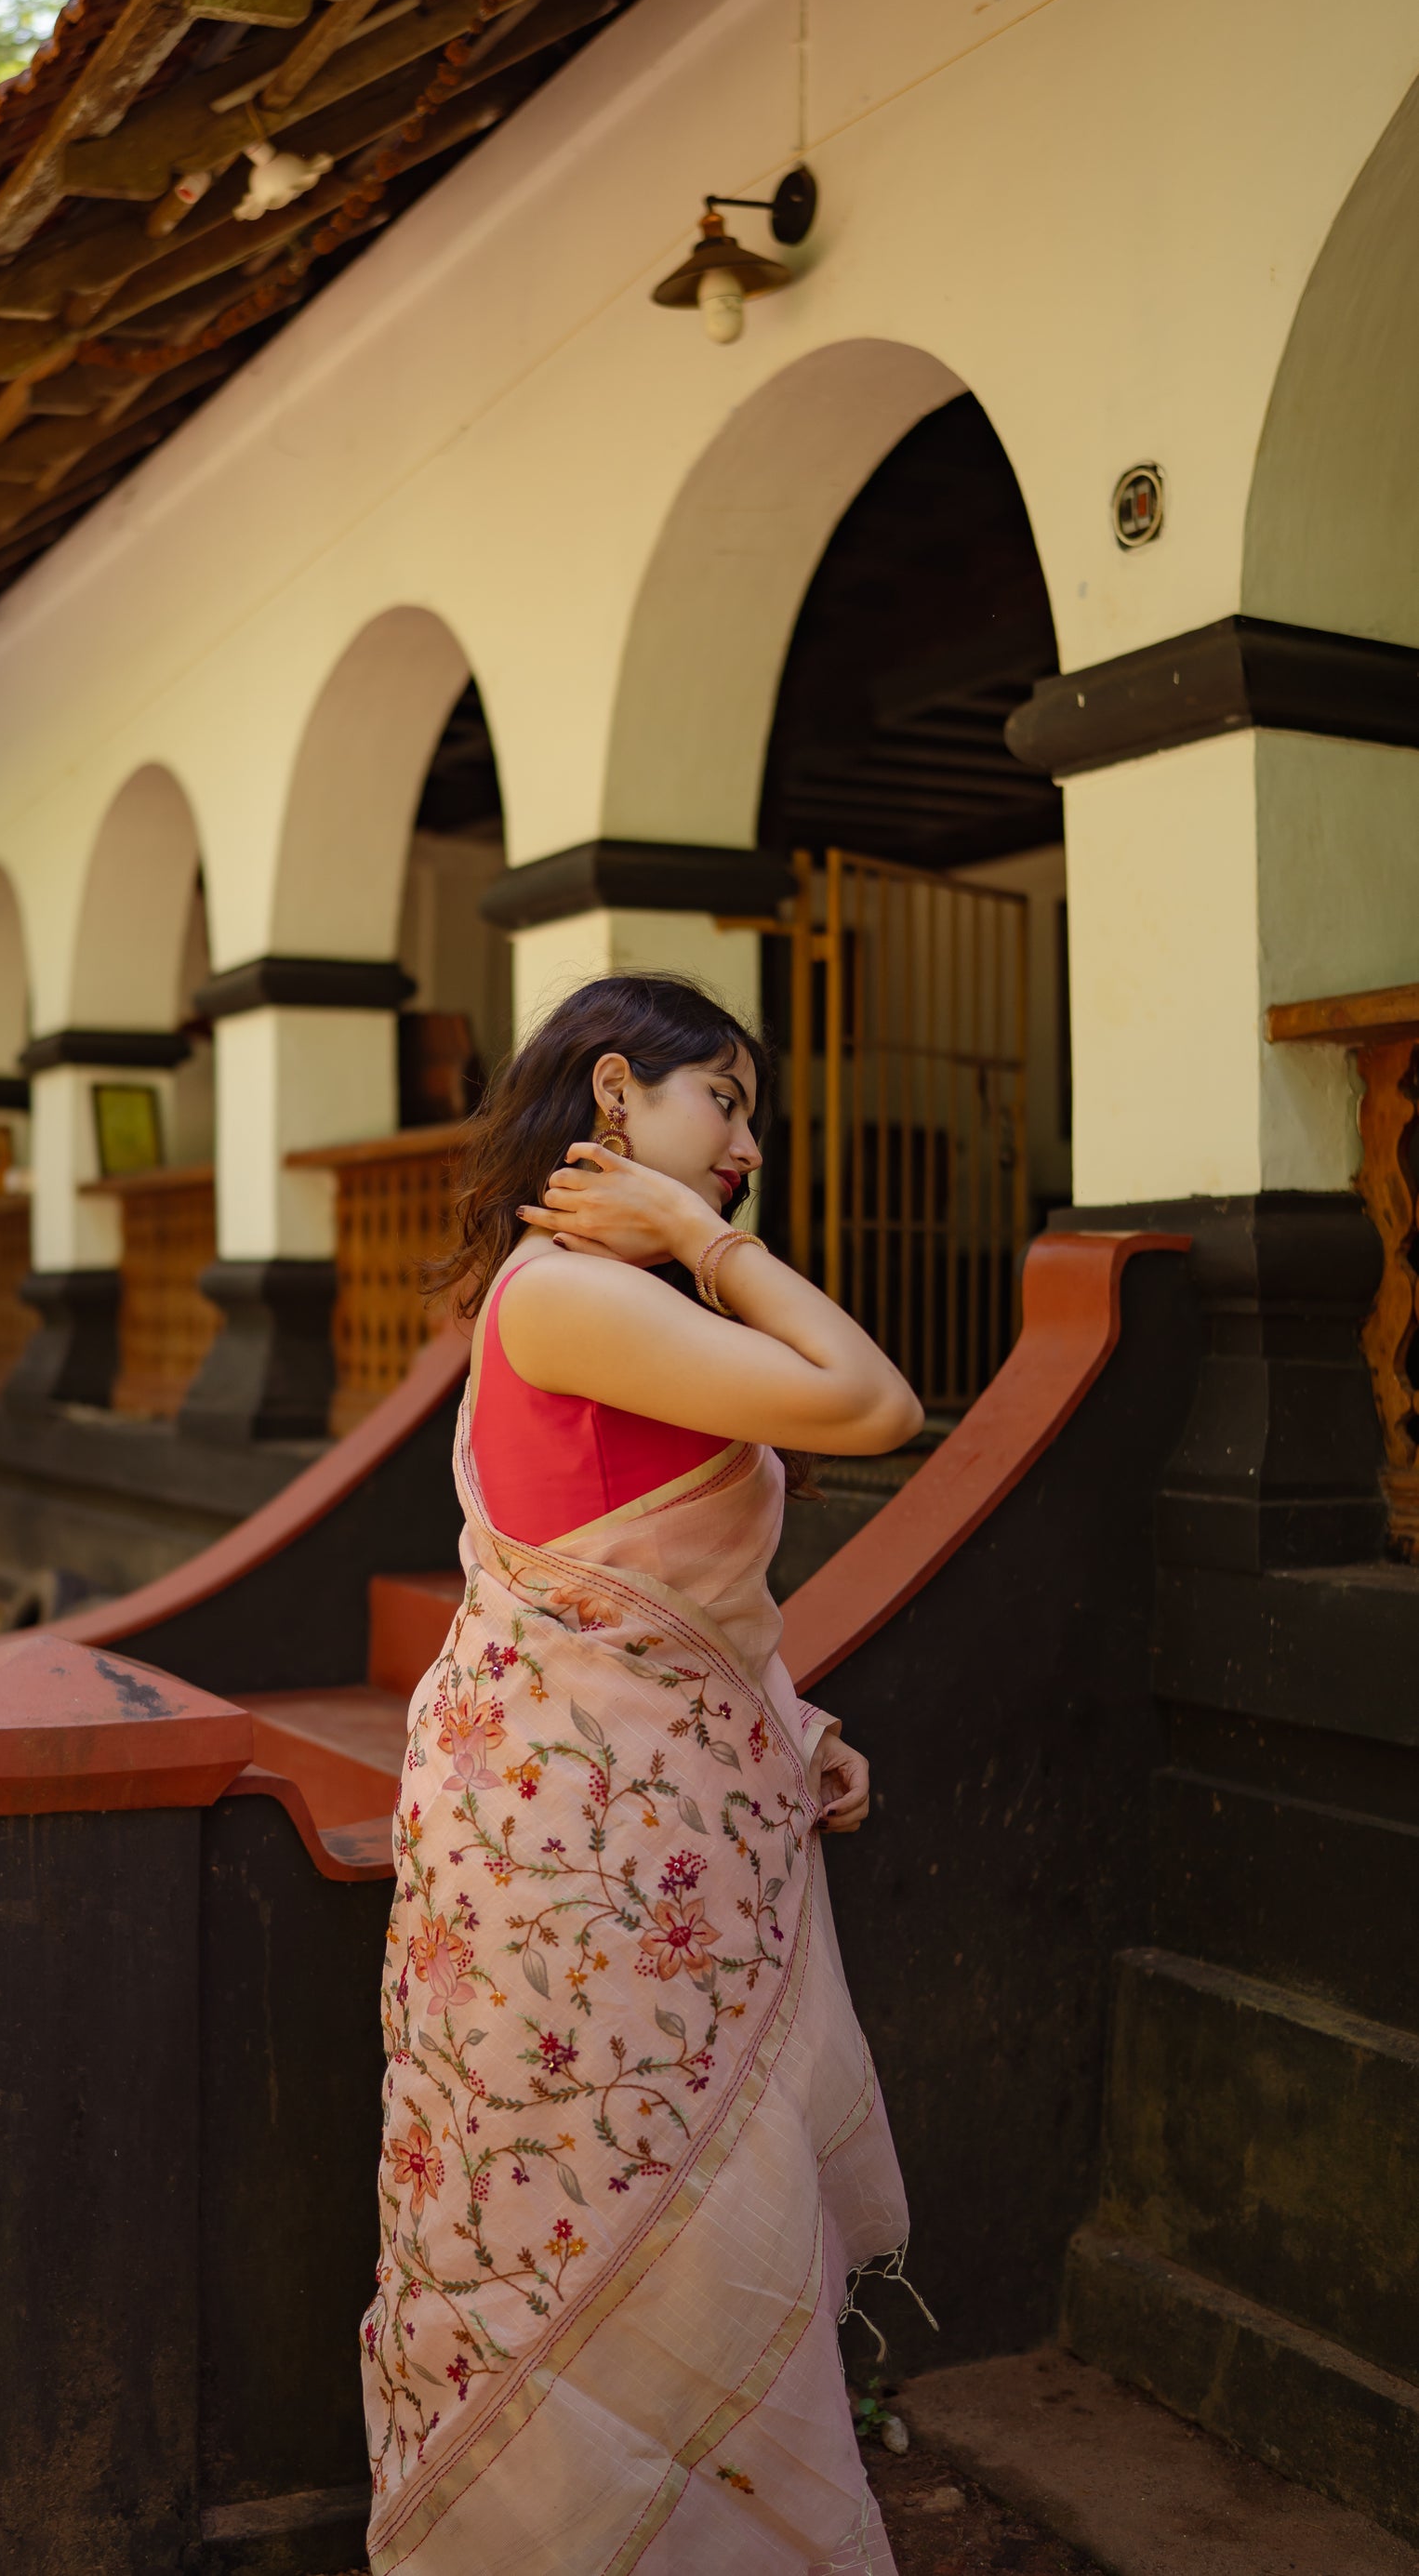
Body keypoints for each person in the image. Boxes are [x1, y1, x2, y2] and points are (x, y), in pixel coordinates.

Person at [361, 974, 925, 2575]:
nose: (747, 1144)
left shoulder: (615, 1308)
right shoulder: (564, 1296)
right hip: (574, 1855)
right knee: (585, 2217)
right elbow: (876, 1403)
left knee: (657, 2209)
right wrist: (701, 1232)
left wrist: (781, 1729)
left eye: (751, 1116)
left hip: (625, 1829)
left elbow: (675, 1591)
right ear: (615, 1092)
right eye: (723, 1101)